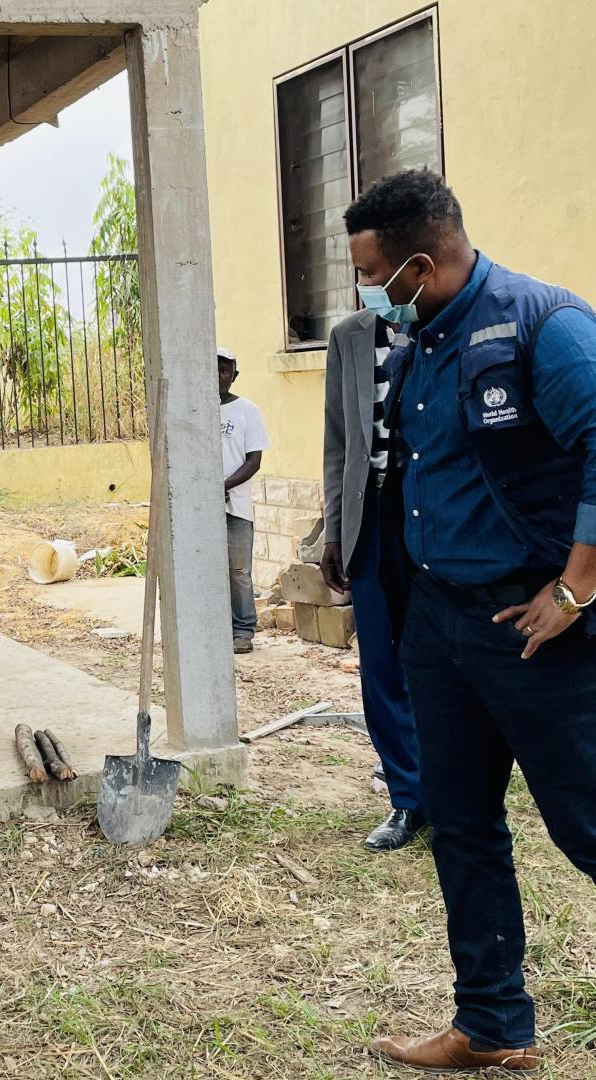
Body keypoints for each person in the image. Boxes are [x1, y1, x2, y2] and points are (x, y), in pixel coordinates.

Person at [344, 170, 596, 1073]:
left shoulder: (544, 324)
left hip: (537, 631)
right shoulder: (419, 348)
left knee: (587, 825)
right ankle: (491, 1023)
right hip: (443, 628)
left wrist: (574, 590)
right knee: (461, 826)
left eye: (371, 273)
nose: (364, 292)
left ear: (420, 263)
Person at [321, 309, 426, 852]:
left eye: (373, 266)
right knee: (380, 665)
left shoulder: (446, 319)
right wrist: (335, 531)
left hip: (434, 512)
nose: (368, 278)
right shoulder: (348, 337)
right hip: (372, 516)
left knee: (441, 660)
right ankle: (408, 797)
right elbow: (338, 442)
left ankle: (457, 791)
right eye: (359, 269)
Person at [218, 349, 270, 654]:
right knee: (207, 568)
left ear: (234, 376)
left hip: (235, 505)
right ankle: (216, 626)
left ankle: (243, 630)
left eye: (225, 370)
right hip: (201, 507)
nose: (218, 376)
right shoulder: (195, 408)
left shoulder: (247, 411)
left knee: (238, 571)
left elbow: (253, 461)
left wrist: (223, 486)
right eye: (213, 369)